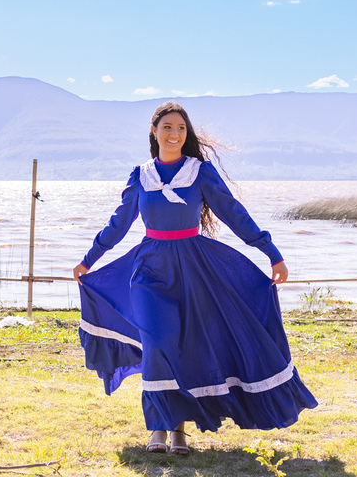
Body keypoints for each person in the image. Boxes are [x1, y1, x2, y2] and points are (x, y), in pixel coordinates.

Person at [73, 102, 317, 455]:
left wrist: (271, 251)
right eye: (167, 127)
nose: (174, 134)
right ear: (154, 132)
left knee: (183, 348)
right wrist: (89, 259)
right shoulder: (140, 175)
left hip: (194, 268)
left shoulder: (199, 172)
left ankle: (178, 432)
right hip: (149, 269)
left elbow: (233, 213)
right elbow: (119, 223)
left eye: (181, 128)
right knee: (158, 342)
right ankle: (158, 429)